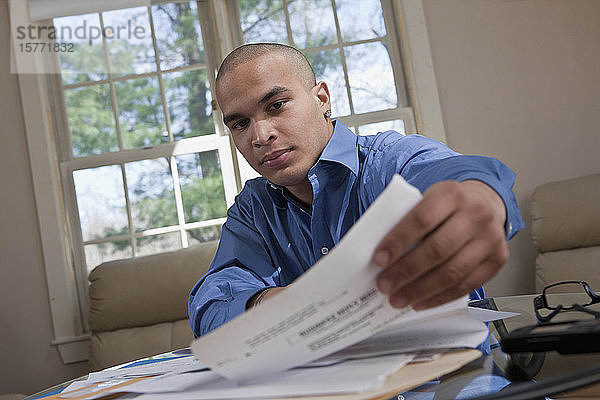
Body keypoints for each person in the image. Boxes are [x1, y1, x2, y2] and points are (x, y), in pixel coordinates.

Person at [188, 43, 524, 338]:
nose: (260, 135)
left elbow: (457, 175)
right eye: (240, 124)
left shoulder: (390, 162)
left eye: (276, 105)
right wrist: (283, 302)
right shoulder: (253, 210)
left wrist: (483, 198)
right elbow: (211, 307)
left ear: (321, 99)